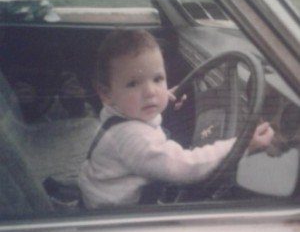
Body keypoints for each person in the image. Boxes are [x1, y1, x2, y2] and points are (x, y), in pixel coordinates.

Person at [79, 29, 274, 208]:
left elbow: (144, 112)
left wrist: (165, 98)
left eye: (157, 79)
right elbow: (185, 167)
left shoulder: (121, 114)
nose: (151, 93)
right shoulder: (132, 138)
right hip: (119, 218)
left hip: (102, 195)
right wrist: (241, 144)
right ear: (106, 94)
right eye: (133, 84)